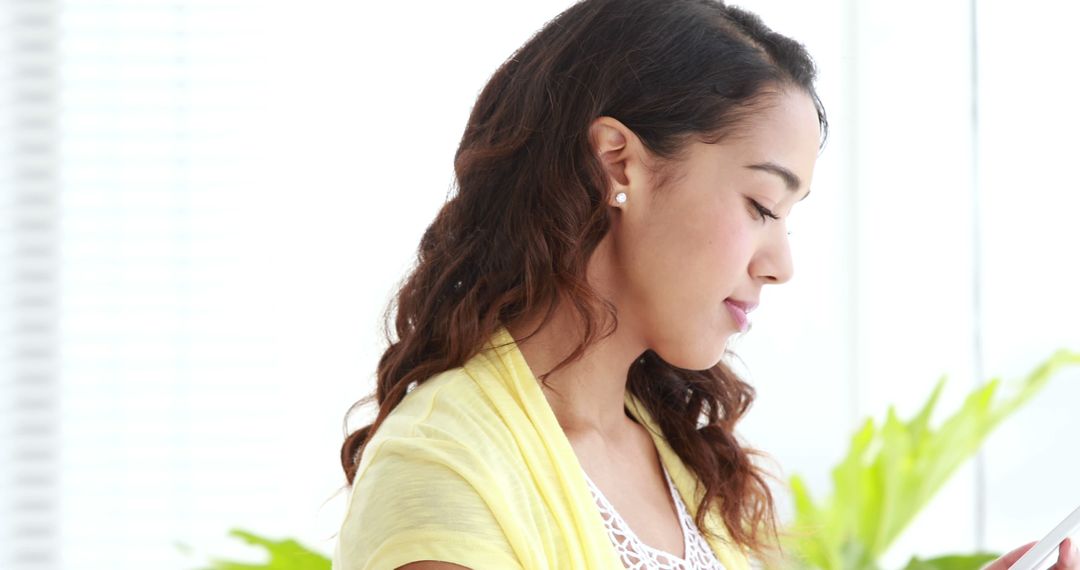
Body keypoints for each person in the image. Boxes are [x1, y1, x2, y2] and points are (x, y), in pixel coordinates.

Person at [333, 0, 1080, 568]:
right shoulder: (444, 465)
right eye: (760, 205)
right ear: (620, 166)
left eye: (786, 218)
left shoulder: (677, 456)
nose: (780, 262)